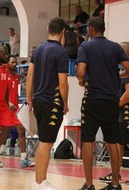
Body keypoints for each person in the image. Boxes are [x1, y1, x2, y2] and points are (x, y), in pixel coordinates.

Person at [77, 17, 129, 190]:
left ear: (90, 29)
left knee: (87, 140)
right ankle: (115, 184)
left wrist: (81, 78)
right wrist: (117, 76)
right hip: (112, 100)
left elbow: (81, 72)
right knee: (113, 141)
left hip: (92, 99)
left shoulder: (85, 46)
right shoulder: (115, 47)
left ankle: (89, 184)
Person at [26, 17, 68, 190]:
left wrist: (29, 98)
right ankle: (41, 182)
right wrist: (64, 103)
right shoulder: (61, 52)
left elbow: (30, 76)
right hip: (52, 101)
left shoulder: (38, 49)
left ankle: (38, 181)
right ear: (64, 32)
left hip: (38, 100)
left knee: (43, 142)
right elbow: (63, 82)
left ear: (47, 29)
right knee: (46, 142)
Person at [99, 42, 129, 186]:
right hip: (120, 113)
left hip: (125, 112)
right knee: (118, 143)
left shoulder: (126, 69)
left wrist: (115, 106)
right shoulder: (121, 69)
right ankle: (116, 173)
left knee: (125, 142)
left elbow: (128, 93)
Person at [7, 55, 35, 168]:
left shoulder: (17, 77)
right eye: (12, 62)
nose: (14, 64)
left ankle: (24, 159)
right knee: (0, 133)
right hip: (4, 108)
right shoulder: (3, 76)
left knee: (21, 130)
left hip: (15, 110)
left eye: (15, 63)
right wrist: (8, 103)